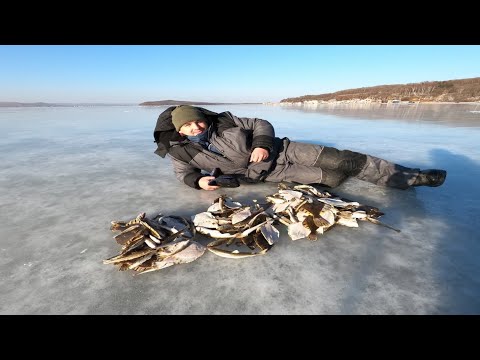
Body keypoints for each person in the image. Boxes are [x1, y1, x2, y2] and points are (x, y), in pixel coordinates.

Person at [153, 105, 447, 191]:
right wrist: (199, 180)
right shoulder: (180, 151)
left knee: (343, 159)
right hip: (266, 175)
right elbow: (183, 174)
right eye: (186, 126)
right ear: (178, 130)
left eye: (197, 122)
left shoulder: (227, 122)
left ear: (203, 119)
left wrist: (263, 145)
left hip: (284, 151)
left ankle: (410, 177)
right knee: (332, 178)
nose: (194, 128)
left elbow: (261, 123)